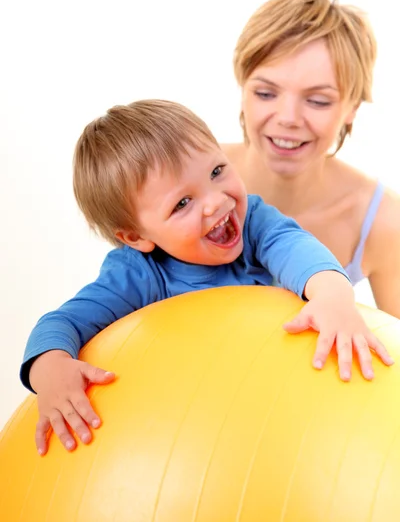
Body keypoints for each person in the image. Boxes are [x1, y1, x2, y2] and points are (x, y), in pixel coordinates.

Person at [20, 99, 393, 456]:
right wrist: (50, 368)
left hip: (287, 408)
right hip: (197, 432)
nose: (215, 201)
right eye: (183, 203)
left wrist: (331, 294)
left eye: (216, 171)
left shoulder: (255, 223)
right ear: (136, 237)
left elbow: (294, 248)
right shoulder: (138, 273)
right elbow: (63, 322)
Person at [222, 0, 400, 318]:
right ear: (242, 88)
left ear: (353, 108)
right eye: (265, 93)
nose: (288, 118)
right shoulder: (179, 178)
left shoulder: (382, 220)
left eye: (318, 100)